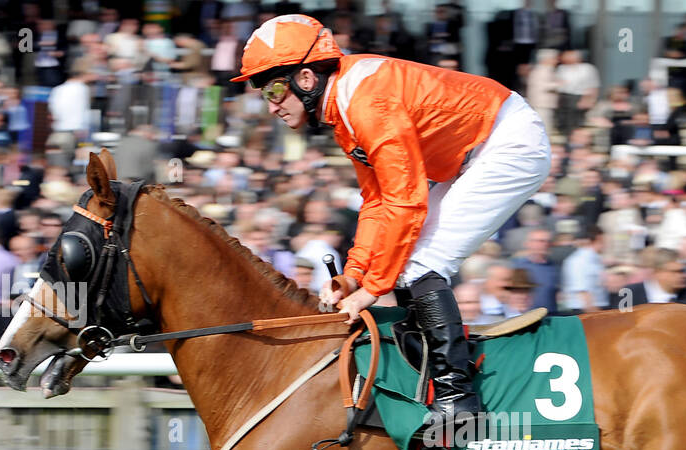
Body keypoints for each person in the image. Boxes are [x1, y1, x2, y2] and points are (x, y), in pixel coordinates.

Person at [233, 14, 551, 426]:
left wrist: (371, 290)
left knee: (417, 263)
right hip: (479, 149)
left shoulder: (365, 103)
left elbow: (405, 202)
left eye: (274, 89)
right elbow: (376, 200)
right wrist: (353, 275)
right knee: (401, 264)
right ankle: (424, 377)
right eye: (264, 94)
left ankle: (458, 401)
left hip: (508, 142)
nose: (272, 105)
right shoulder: (341, 107)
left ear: (307, 78)